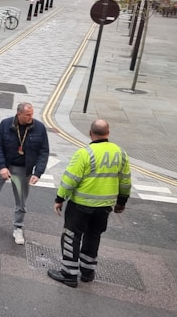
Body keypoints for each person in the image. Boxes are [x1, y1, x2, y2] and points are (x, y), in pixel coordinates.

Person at [47, 119, 131, 288]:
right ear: (109, 132)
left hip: (81, 205)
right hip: (104, 207)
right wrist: (121, 202)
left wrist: (59, 199)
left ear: (90, 133)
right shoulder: (120, 153)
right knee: (93, 236)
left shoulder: (85, 153)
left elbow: (70, 179)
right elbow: (125, 181)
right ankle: (87, 272)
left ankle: (69, 275)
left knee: (71, 237)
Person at [0, 102, 49, 245]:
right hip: (3, 166)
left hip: (23, 170)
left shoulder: (39, 128)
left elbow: (44, 152)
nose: (31, 117)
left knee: (21, 202)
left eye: (32, 114)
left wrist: (38, 172)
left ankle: (18, 227)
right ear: (19, 114)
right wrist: (2, 167)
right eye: (28, 115)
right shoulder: (5, 124)